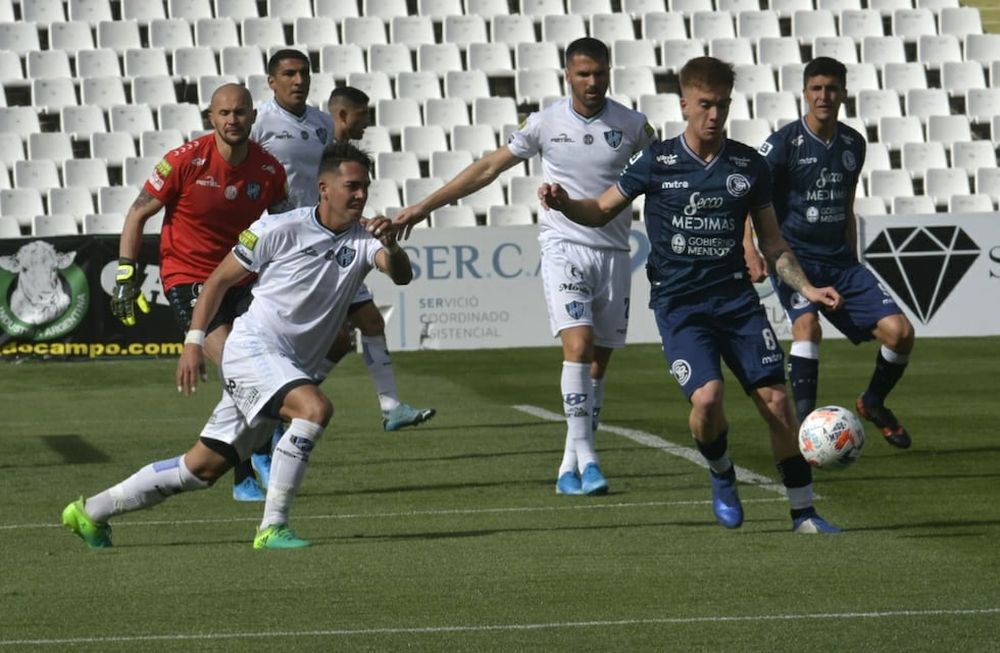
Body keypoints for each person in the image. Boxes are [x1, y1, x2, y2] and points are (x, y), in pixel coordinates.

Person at [539, 56, 845, 533]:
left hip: (738, 304)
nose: (714, 115)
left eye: (722, 105)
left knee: (778, 404)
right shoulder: (656, 161)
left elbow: (773, 243)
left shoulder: (749, 165)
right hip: (681, 307)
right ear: (684, 104)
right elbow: (600, 210)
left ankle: (803, 511)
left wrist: (807, 287)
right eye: (705, 105)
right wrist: (564, 204)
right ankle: (722, 472)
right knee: (707, 400)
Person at [63, 141, 414, 550]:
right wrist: (194, 342)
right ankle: (272, 527)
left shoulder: (365, 239)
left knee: (199, 470)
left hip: (286, 366)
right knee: (314, 408)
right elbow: (217, 281)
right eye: (352, 186)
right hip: (252, 350)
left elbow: (401, 275)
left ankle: (91, 512)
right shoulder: (278, 227)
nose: (360, 195)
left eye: (364, 187)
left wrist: (391, 245)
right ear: (323, 187)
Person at [394, 37, 657, 496]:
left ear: (609, 71)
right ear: (567, 75)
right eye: (582, 74)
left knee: (597, 366)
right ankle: (591, 459)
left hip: (615, 253)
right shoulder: (544, 122)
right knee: (577, 345)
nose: (592, 82)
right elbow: (488, 167)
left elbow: (661, 179)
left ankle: (570, 465)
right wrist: (423, 207)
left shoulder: (634, 125)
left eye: (599, 73)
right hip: (564, 247)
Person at [111, 83, 289, 502]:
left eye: (241, 112)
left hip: (242, 277)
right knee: (235, 363)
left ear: (253, 116)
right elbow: (138, 214)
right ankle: (252, 460)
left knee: (261, 365)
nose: (233, 120)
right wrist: (125, 275)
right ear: (211, 118)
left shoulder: (268, 170)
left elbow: (285, 224)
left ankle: (245, 467)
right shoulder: (183, 161)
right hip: (188, 277)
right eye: (224, 113)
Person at [251, 50, 435, 433]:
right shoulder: (260, 123)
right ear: (272, 81)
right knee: (323, 338)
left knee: (367, 322)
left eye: (305, 73)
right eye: (290, 73)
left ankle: (390, 406)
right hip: (287, 242)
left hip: (330, 237)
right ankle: (283, 404)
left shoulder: (320, 123)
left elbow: (336, 176)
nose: (299, 80)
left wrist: (353, 216)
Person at [749, 56, 914, 448]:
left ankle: (873, 402)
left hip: (841, 262)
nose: (824, 96)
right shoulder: (783, 143)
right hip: (794, 259)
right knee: (807, 327)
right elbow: (753, 199)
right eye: (816, 88)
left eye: (831, 88)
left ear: (843, 92)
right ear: (805, 93)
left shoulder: (854, 143)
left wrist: (853, 259)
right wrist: (750, 249)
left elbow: (847, 204)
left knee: (901, 334)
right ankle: (808, 431)